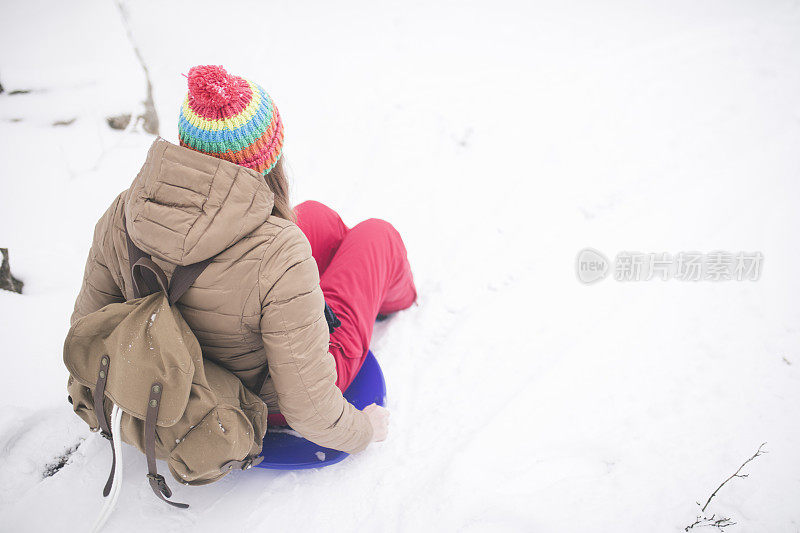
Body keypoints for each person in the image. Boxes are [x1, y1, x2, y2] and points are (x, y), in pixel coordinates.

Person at [70, 65, 417, 454]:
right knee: (377, 236)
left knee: (317, 215)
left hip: (184, 365)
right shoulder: (280, 252)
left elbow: (86, 327)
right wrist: (363, 429)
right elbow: (308, 406)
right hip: (252, 402)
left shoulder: (123, 212)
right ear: (267, 159)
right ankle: (397, 300)